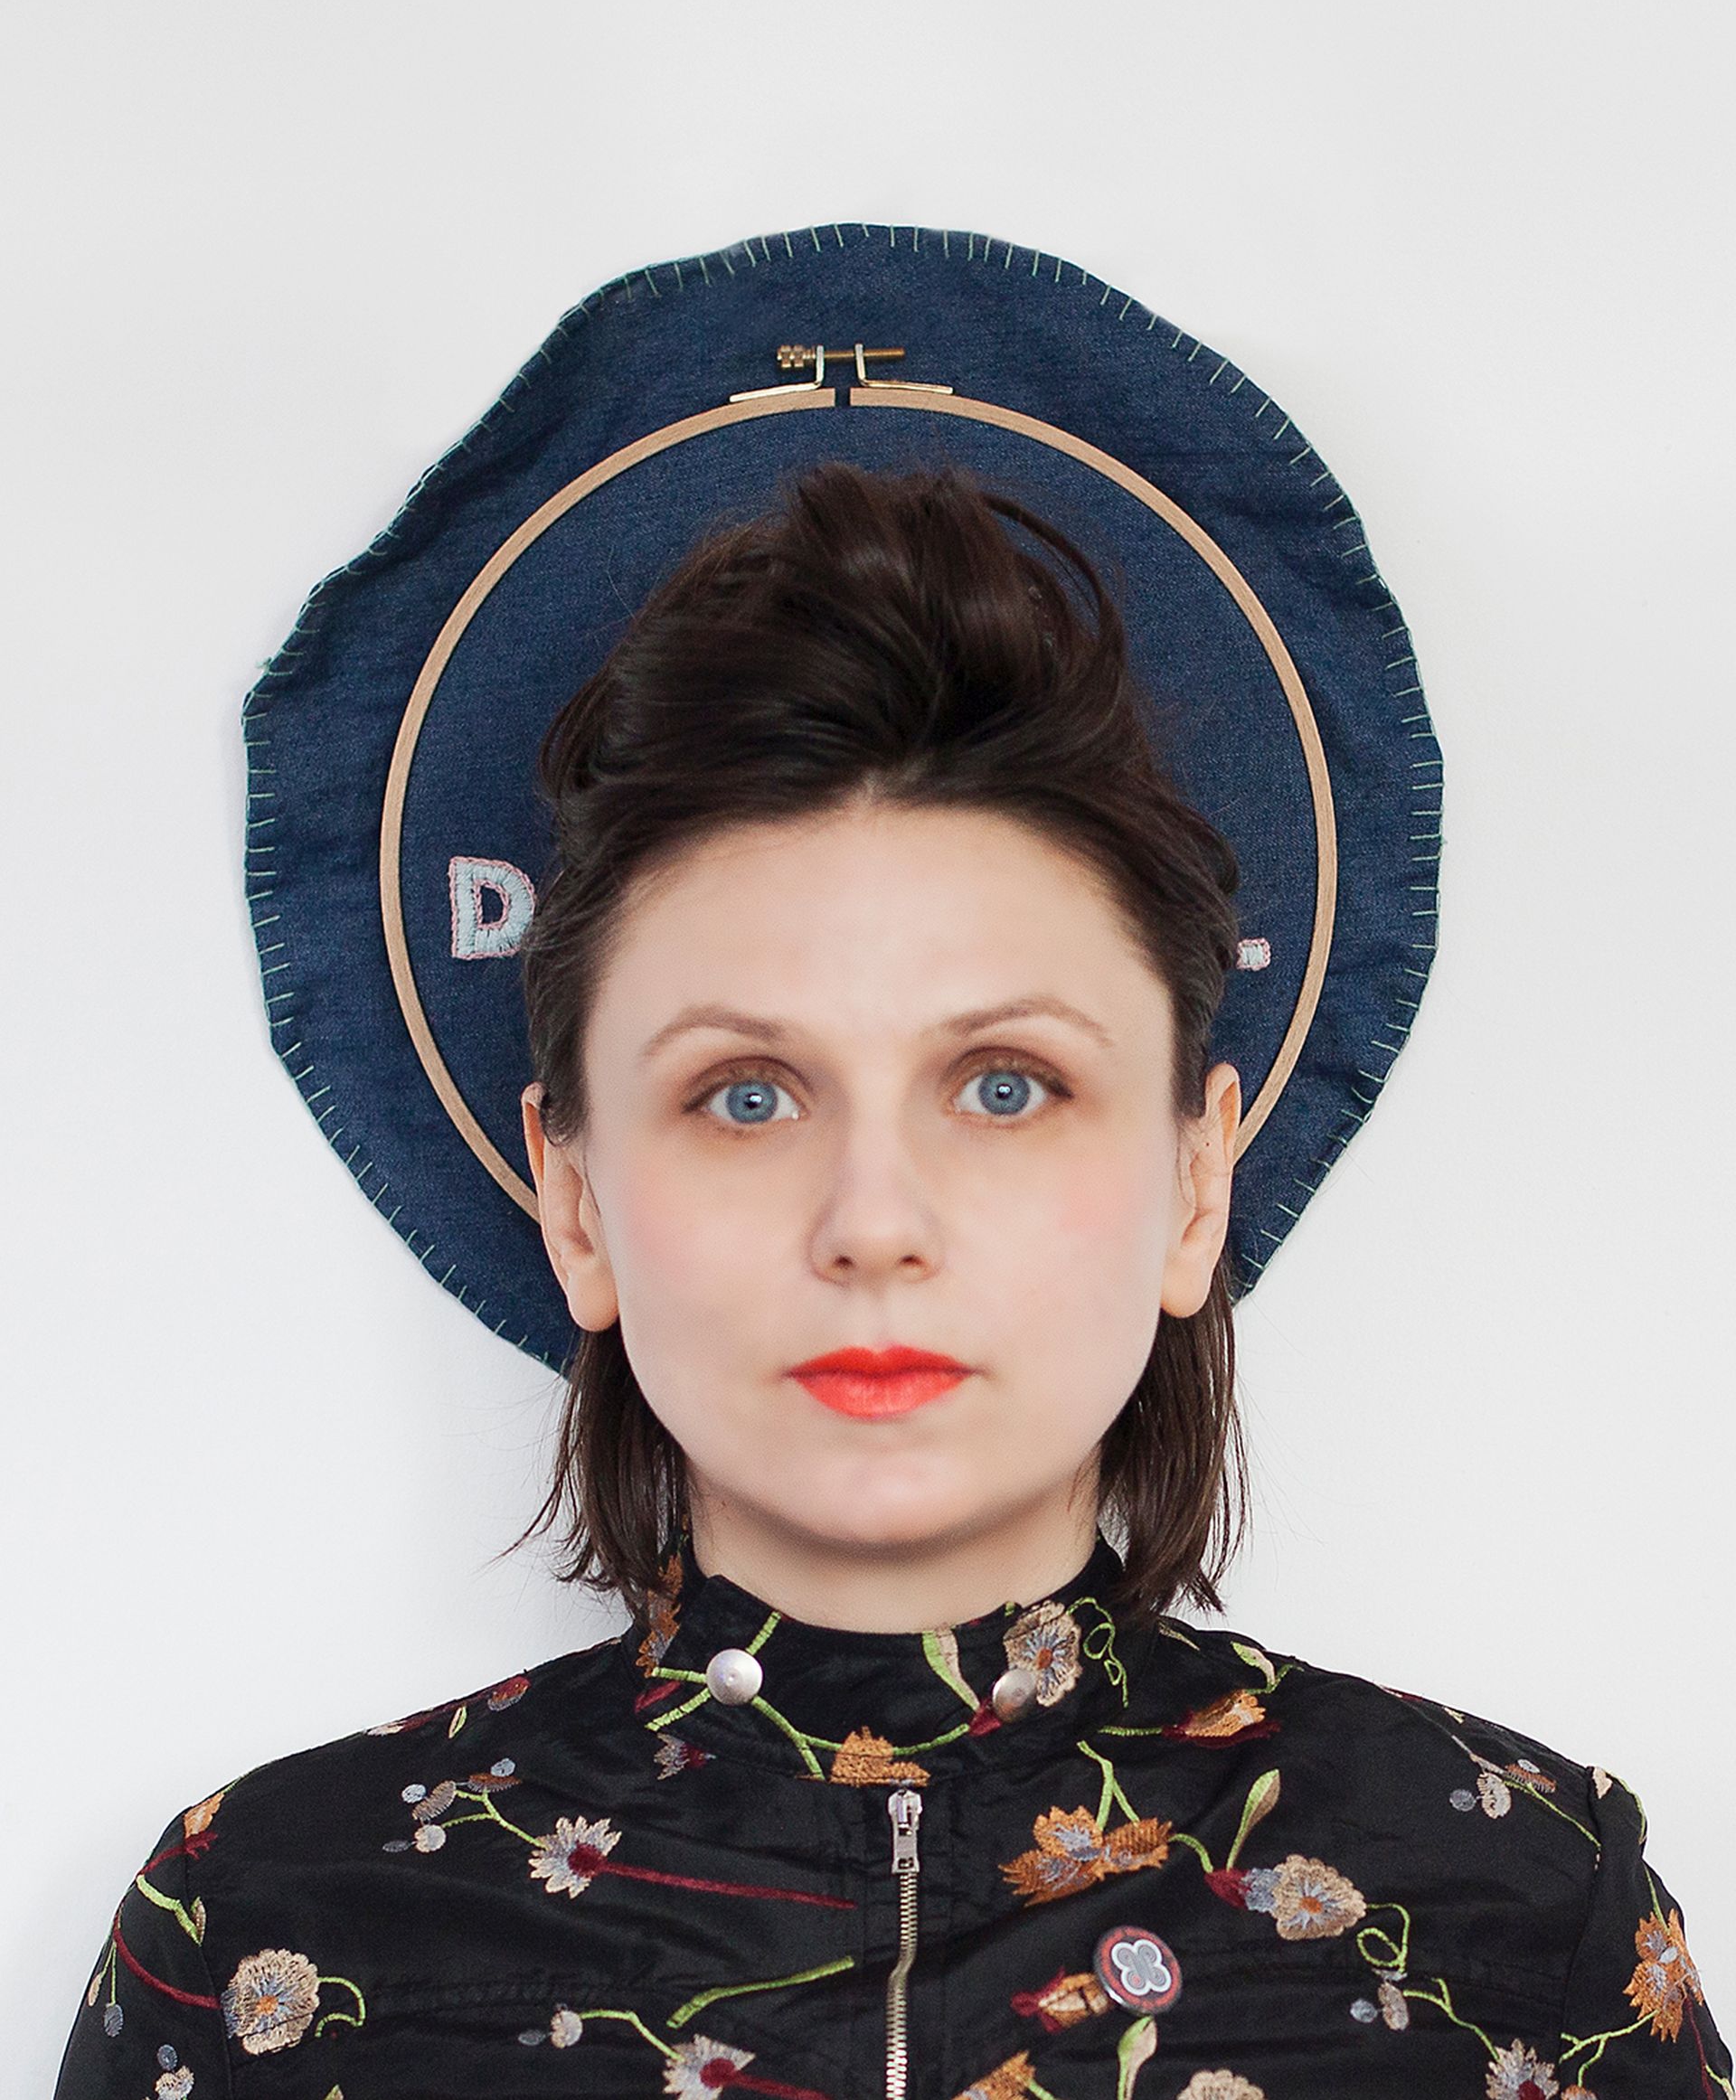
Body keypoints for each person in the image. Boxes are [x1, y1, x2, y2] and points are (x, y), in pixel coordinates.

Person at [52, 463, 1730, 2100]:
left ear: (1195, 1183)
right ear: (576, 1202)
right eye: (746, 1097)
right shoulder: (255, 1942)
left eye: (1005, 1086)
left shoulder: (1524, 1919)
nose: (873, 1222)